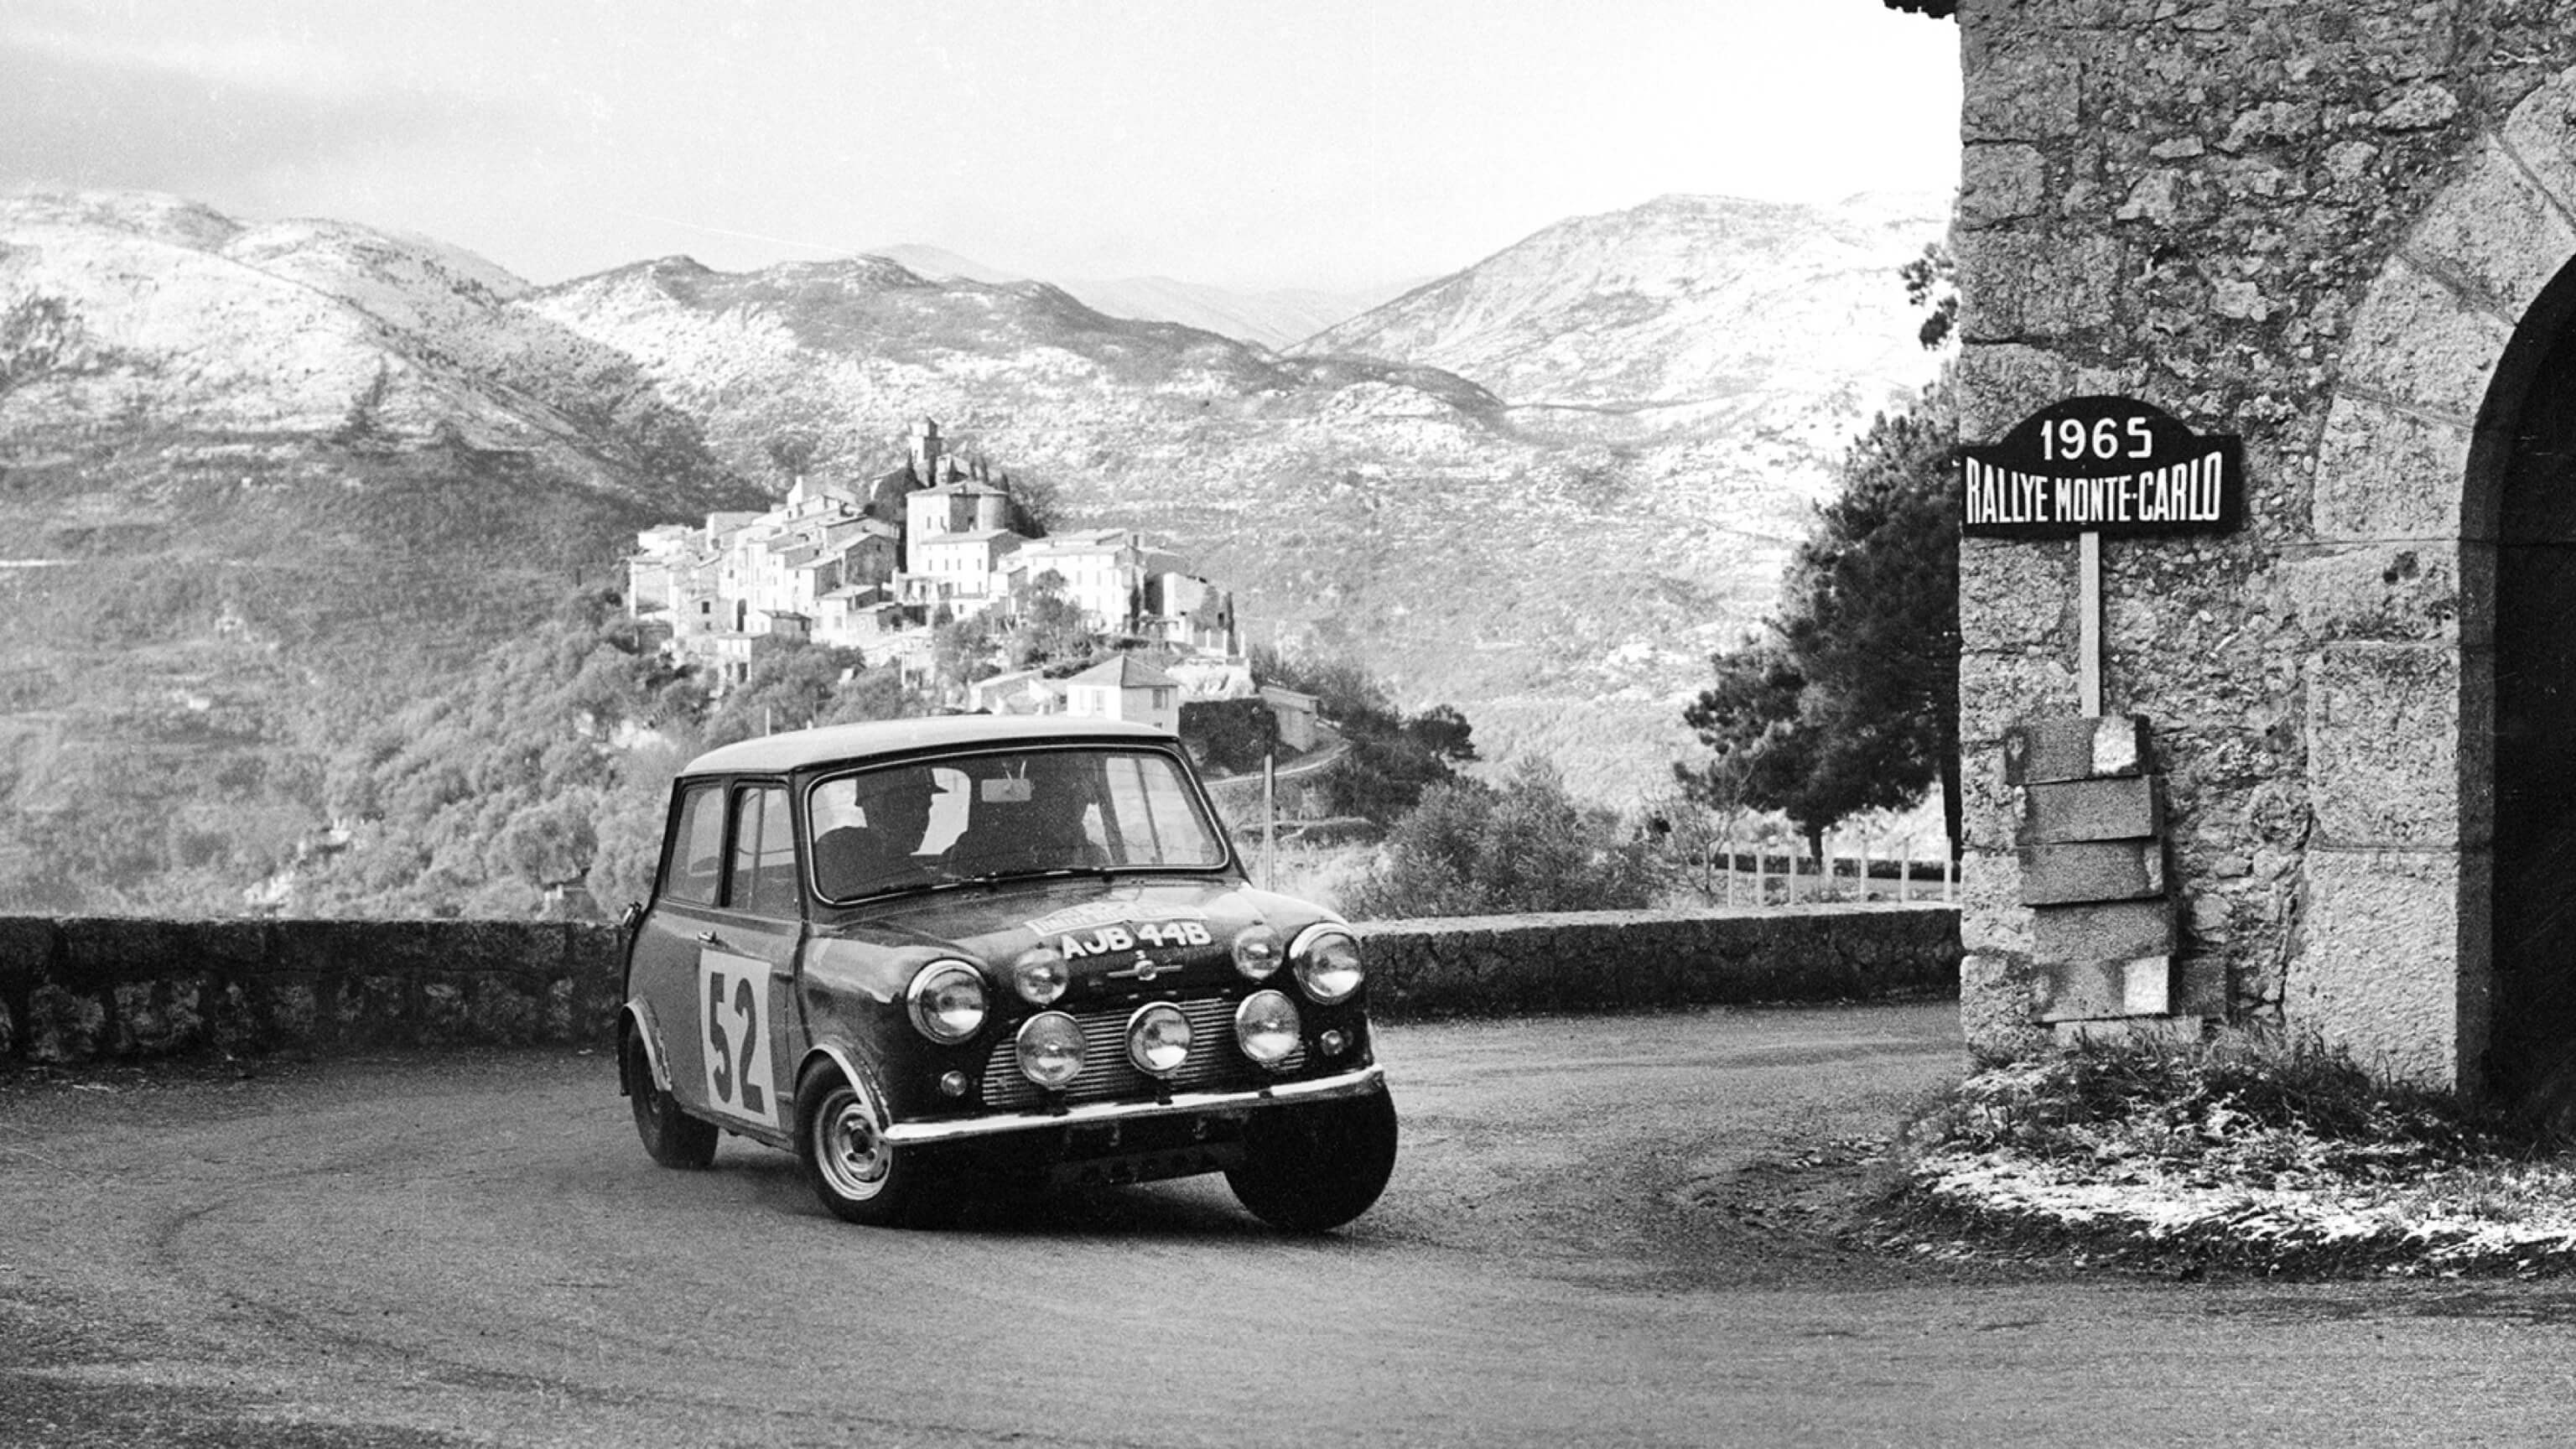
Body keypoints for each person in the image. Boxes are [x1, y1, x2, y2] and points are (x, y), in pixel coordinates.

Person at [813, 768, 938, 897]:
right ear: (874, 811)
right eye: (907, 806)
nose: (921, 818)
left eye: (925, 807)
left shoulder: (905, 864)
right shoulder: (840, 852)